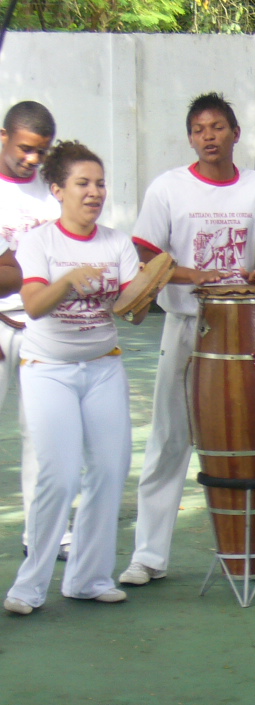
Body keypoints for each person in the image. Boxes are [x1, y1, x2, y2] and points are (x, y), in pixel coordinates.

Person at [120, 92, 255, 586]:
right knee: (171, 440)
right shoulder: (168, 189)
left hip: (244, 331)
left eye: (217, 127)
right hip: (188, 326)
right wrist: (201, 275)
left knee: (250, 440)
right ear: (190, 137)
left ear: (236, 133)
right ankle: (148, 557)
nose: (207, 137)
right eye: (198, 129)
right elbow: (146, 255)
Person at [5, 141, 141, 615]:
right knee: (59, 477)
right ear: (57, 189)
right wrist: (69, 279)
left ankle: (88, 578)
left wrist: (150, 286)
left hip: (104, 368)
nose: (94, 192)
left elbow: (132, 312)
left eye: (100, 183)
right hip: (49, 371)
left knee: (108, 471)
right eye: (82, 183)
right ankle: (29, 585)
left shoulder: (117, 243)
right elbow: (37, 306)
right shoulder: (39, 241)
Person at [0, 101, 70, 559]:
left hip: (45, 327)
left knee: (45, 434)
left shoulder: (51, 194)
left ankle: (45, 533)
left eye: (42, 153)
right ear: (3, 137)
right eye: (26, 149)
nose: (33, 160)